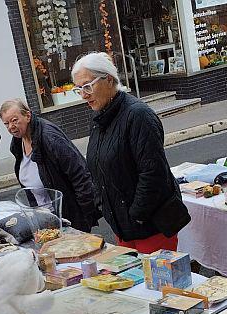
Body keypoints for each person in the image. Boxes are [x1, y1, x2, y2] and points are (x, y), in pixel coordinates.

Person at [71, 52, 190, 253]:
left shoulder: (138, 115)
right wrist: (106, 208)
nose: (83, 95)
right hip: (124, 227)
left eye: (87, 86)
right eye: (78, 89)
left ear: (109, 79)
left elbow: (153, 174)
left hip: (151, 227)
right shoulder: (100, 119)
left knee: (157, 283)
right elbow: (96, 167)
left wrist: (136, 214)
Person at [0, 98, 99, 232]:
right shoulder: (17, 142)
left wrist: (85, 215)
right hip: (44, 220)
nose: (11, 127)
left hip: (68, 218)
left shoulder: (49, 138)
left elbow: (80, 174)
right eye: (6, 123)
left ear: (28, 116)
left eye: (14, 120)